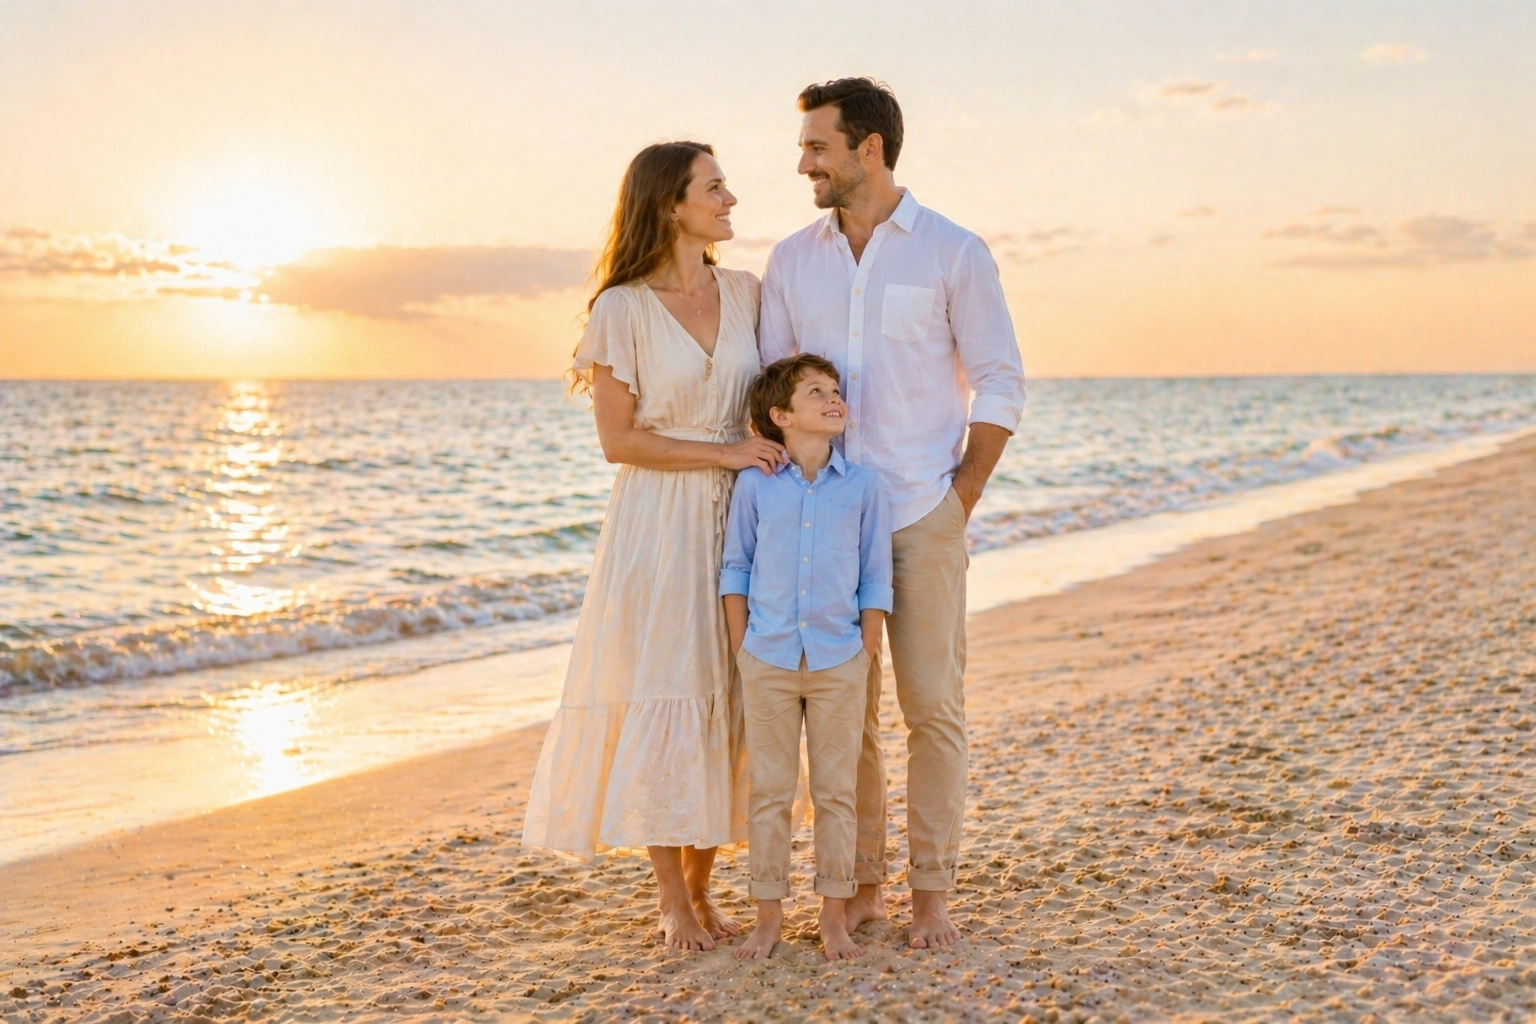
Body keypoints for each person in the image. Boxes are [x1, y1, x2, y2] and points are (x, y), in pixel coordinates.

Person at [759, 78, 1027, 949]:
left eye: (817, 148)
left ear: (868, 148)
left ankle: (933, 897)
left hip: (921, 510)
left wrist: (962, 498)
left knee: (932, 709)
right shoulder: (794, 261)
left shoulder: (952, 251)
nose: (803, 163)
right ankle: (863, 888)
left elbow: (1002, 378)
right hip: (828, 523)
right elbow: (770, 389)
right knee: (847, 716)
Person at [521, 141, 788, 952]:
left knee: (730, 698)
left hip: (742, 518)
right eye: (714, 188)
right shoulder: (622, 309)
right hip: (659, 526)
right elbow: (620, 440)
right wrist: (726, 453)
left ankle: (706, 889)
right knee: (667, 691)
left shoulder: (747, 292)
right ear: (671, 205)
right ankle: (671, 897)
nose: (731, 198)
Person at [720, 355, 893, 962]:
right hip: (765, 657)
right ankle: (767, 916)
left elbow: (876, 574)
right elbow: (735, 566)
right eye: (815, 392)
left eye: (836, 390)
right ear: (781, 416)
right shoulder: (755, 483)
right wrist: (743, 645)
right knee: (769, 791)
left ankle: (834, 917)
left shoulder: (864, 485)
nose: (833, 399)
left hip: (839, 657)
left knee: (836, 793)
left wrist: (866, 648)